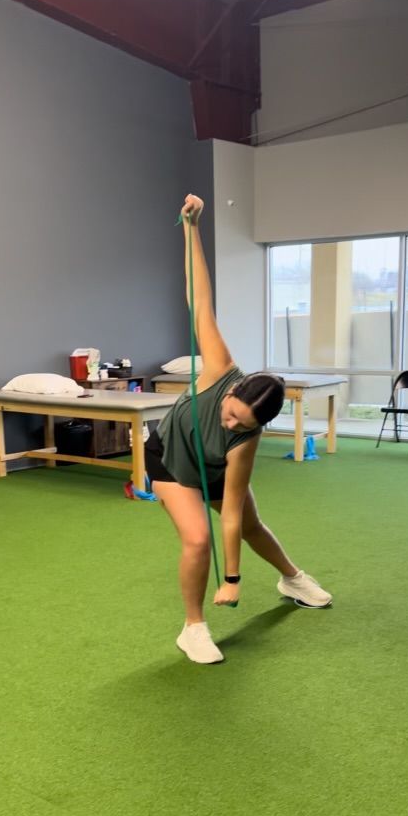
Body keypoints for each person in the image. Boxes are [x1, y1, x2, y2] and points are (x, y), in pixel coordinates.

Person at [145, 193, 332, 664]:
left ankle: (291, 577)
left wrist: (233, 579)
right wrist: (191, 229)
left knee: (250, 524)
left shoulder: (243, 442)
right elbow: (198, 297)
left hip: (210, 466)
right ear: (234, 390)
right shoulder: (218, 367)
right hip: (169, 458)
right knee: (196, 539)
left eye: (240, 425)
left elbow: (230, 513)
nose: (230, 422)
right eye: (230, 413)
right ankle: (193, 627)